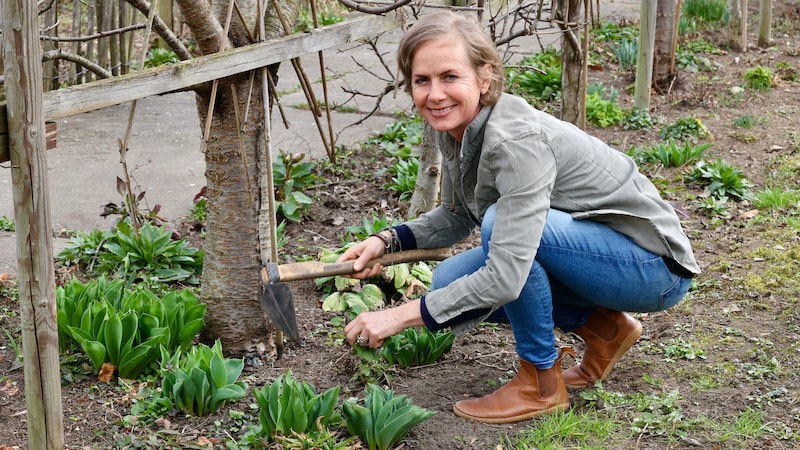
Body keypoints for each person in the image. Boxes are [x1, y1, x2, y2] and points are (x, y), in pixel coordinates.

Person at [338, 10, 699, 424]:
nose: (435, 94)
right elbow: (457, 215)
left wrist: (398, 316)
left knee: (499, 230)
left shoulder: (513, 142)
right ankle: (604, 330)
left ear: (484, 77)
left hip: (651, 266)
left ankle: (541, 382)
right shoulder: (458, 128)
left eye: (450, 77)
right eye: (423, 81)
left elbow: (507, 275)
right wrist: (386, 243)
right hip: (597, 251)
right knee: (448, 282)